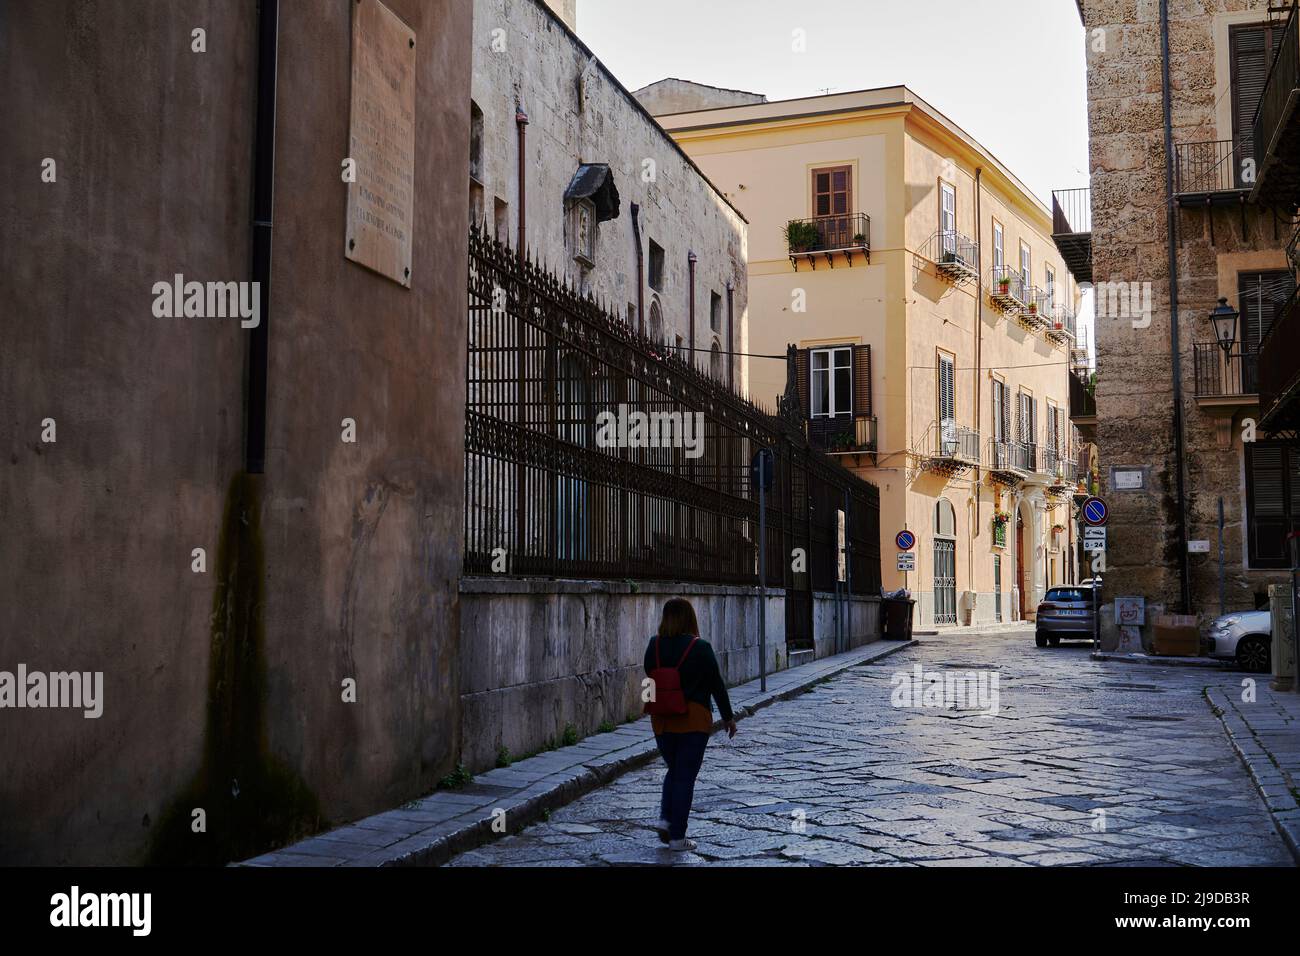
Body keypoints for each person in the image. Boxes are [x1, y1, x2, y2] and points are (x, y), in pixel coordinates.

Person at [644, 597, 737, 851]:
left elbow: (648, 680)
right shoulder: (701, 647)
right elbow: (717, 685)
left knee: (674, 770)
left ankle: (665, 819)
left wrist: (650, 708)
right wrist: (728, 717)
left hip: (662, 720)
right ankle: (677, 836)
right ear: (690, 618)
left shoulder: (654, 645)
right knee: (685, 776)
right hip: (693, 720)